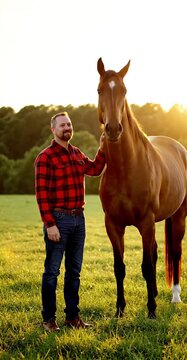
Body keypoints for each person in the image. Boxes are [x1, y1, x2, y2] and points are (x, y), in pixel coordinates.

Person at [35, 111, 105, 331]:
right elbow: (42, 194)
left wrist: (103, 147)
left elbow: (94, 169)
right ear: (53, 130)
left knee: (74, 272)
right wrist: (50, 224)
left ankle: (72, 317)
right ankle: (49, 320)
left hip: (78, 219)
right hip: (59, 220)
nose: (67, 128)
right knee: (52, 272)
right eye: (63, 125)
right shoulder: (45, 157)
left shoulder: (76, 153)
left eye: (69, 124)